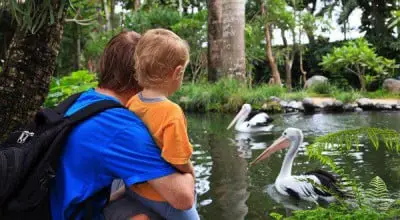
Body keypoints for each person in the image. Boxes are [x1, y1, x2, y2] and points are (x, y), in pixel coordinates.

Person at [50, 31, 195, 220]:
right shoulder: (121, 128)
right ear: (138, 73)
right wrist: (190, 173)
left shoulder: (84, 100)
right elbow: (183, 198)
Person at [122, 28, 199, 219]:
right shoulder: (171, 112)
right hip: (163, 198)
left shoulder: (133, 102)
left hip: (136, 188)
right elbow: (178, 161)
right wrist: (191, 173)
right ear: (178, 72)